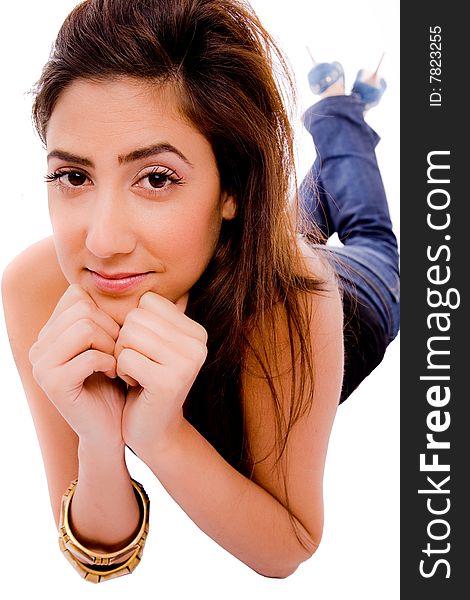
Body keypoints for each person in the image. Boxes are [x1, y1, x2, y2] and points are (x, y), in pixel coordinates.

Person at [1, 0, 399, 584]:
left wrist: (162, 436)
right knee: (294, 221)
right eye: (74, 176)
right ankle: (323, 167)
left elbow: (288, 547)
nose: (103, 242)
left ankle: (338, 115)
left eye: (155, 178)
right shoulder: (35, 286)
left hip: (355, 294)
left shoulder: (296, 300)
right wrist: (100, 436)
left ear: (232, 189)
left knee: (371, 236)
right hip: (237, 241)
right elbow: (93, 551)